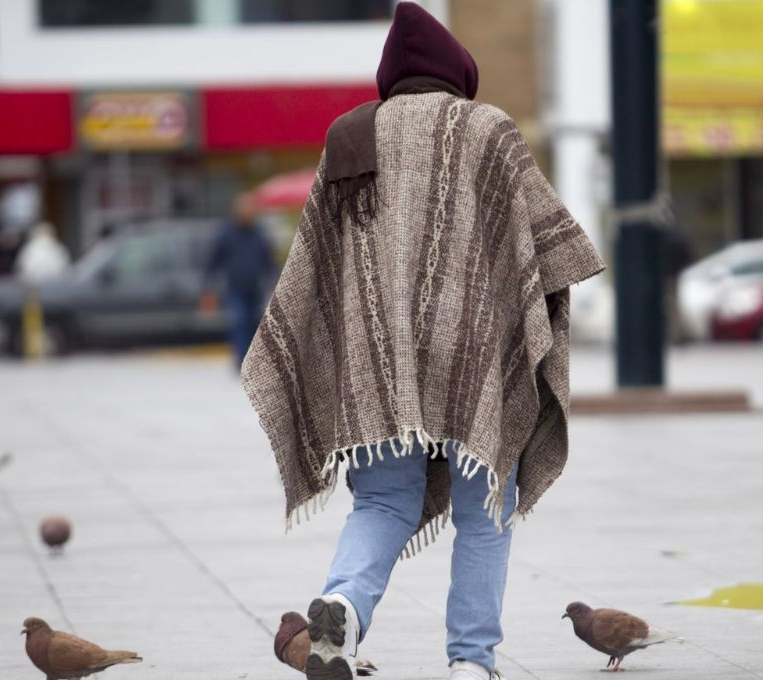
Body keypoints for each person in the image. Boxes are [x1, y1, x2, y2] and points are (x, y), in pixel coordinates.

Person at [240, 5, 604, 680]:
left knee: (382, 501)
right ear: (455, 71)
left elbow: (315, 270)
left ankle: (339, 611)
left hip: (377, 367)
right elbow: (550, 245)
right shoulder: (488, 129)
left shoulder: (349, 136)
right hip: (476, 358)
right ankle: (471, 662)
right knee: (485, 510)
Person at [206, 192, 276, 369]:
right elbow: (214, 261)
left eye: (251, 207)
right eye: (245, 207)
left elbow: (268, 261)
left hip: (255, 288)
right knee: (240, 322)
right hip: (235, 288)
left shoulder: (259, 234)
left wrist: (273, 281)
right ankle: (241, 361)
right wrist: (209, 286)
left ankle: (252, 362)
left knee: (254, 325)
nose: (249, 211)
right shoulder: (226, 234)